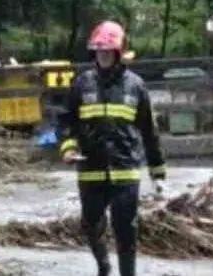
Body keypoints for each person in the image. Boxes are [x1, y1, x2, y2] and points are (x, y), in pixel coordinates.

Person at [57, 20, 166, 276]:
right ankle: (104, 267)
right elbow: (65, 121)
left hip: (125, 171)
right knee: (91, 225)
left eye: (107, 51)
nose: (103, 56)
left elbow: (150, 132)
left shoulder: (135, 86)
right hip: (90, 170)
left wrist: (158, 173)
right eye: (99, 51)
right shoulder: (81, 84)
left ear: (118, 53)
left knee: (126, 229)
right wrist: (68, 148)